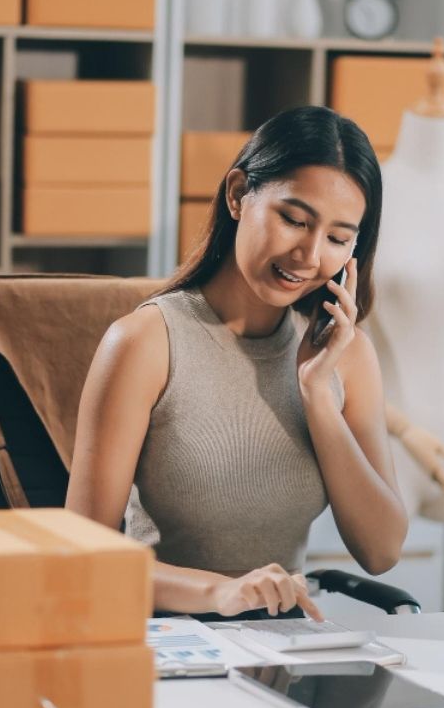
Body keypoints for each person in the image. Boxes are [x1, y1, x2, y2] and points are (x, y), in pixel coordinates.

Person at [66, 106, 408, 620]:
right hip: (167, 639)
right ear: (237, 194)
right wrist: (219, 592)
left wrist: (317, 395)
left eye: (337, 239)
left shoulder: (346, 354)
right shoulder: (144, 342)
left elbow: (381, 551)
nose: (309, 255)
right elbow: (81, 557)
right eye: (293, 220)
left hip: (282, 645)